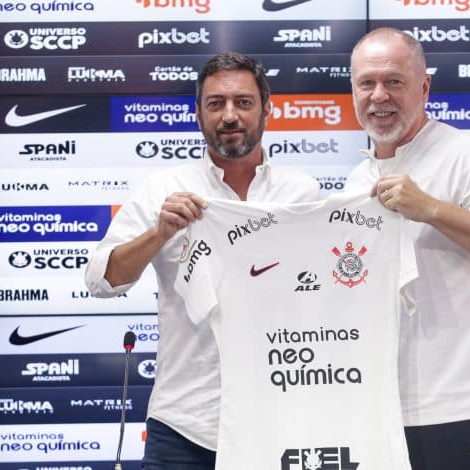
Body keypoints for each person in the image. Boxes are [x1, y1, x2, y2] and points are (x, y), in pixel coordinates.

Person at [84, 52, 320, 469]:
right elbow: (102, 281)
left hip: (281, 418)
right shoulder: (163, 189)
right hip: (184, 424)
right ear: (198, 113)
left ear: (267, 109)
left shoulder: (302, 193)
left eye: (243, 102)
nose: (229, 115)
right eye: (215, 104)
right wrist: (159, 233)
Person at [346, 28, 470, 469]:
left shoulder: (465, 154)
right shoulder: (357, 179)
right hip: (380, 410)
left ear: (424, 87)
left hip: (460, 406)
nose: (379, 96)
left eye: (394, 81)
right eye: (366, 83)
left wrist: (432, 209)